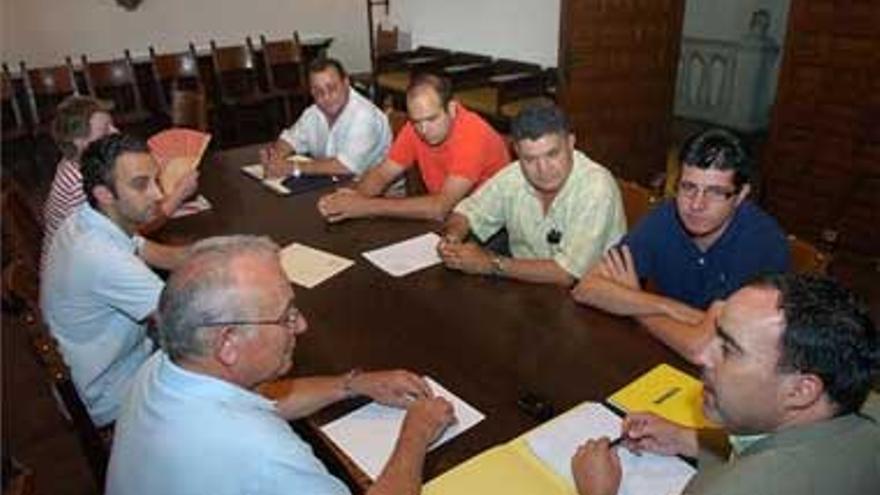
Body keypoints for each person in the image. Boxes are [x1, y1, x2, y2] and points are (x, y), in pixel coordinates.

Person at [106, 235, 455, 495]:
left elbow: (264, 403)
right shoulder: (260, 451)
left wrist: (352, 385)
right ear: (228, 342)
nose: (301, 325)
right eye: (285, 316)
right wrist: (416, 434)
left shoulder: (162, 366)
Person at [571, 273, 880, 495]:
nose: (703, 355)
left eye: (729, 349)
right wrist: (689, 439)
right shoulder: (864, 404)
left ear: (801, 390)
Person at [571, 128, 790, 362]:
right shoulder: (666, 217)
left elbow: (703, 349)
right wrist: (670, 309)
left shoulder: (761, 242)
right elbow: (587, 288)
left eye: (715, 192)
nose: (696, 204)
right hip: (668, 355)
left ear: (741, 195)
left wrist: (634, 302)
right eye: (688, 187)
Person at [41, 134, 172, 426]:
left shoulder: (89, 217)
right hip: (110, 395)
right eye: (141, 184)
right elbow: (185, 324)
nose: (159, 194)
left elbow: (151, 250)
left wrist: (215, 251)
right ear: (105, 194)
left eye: (156, 180)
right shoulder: (102, 258)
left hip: (103, 369)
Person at [438, 104, 625, 286]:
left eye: (552, 154)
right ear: (517, 152)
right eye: (530, 159)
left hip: (588, 302)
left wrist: (492, 264)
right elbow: (466, 213)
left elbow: (566, 274)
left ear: (570, 143)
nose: (543, 169)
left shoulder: (596, 187)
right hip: (528, 290)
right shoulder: (514, 175)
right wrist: (452, 238)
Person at [317, 73, 509, 223]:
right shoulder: (415, 127)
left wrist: (365, 206)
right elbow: (383, 173)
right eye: (417, 121)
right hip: (452, 218)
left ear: (451, 109)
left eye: (432, 119)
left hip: (489, 227)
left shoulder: (472, 134)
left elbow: (441, 207)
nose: (424, 130)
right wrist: (352, 199)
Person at [41, 95, 198, 272]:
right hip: (78, 268)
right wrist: (179, 194)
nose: (115, 132)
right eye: (105, 130)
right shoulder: (82, 184)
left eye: (112, 124)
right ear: (80, 142)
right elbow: (140, 227)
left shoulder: (73, 163)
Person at [260, 58, 391, 177]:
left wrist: (293, 167)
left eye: (332, 88)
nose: (326, 97)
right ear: (311, 92)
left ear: (346, 83)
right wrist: (275, 158)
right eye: (318, 91)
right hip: (334, 185)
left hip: (376, 193)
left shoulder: (364, 116)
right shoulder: (313, 113)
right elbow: (290, 139)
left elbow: (346, 167)